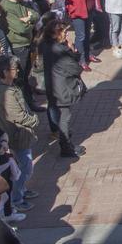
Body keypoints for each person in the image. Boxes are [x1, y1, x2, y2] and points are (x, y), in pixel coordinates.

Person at [0, 56, 38, 213]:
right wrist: (34, 120)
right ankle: (17, 198)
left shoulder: (3, 87)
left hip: (15, 134)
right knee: (25, 167)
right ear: (5, 72)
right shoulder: (7, 93)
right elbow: (17, 115)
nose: (17, 70)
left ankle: (22, 190)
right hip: (18, 135)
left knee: (22, 166)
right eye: (14, 68)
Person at [39, 20, 86, 158]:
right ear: (55, 34)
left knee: (60, 115)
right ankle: (66, 147)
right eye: (64, 32)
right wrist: (73, 51)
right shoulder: (60, 50)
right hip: (62, 89)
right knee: (64, 118)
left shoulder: (47, 45)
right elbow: (75, 69)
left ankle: (64, 141)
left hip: (53, 86)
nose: (66, 34)